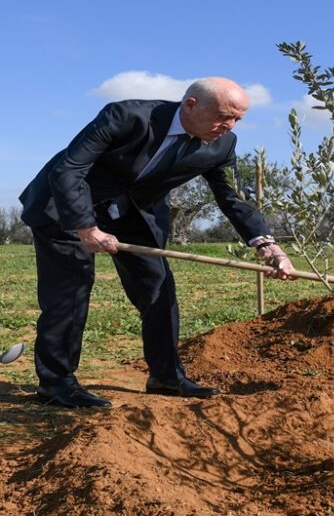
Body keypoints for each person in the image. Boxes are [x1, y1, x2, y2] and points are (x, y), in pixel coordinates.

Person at [18, 77, 296, 408]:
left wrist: (266, 244)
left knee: (159, 288)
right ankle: (56, 383)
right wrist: (85, 226)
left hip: (132, 214)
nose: (230, 126)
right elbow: (69, 168)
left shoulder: (223, 144)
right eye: (224, 115)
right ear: (191, 105)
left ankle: (166, 376)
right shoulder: (127, 116)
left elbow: (232, 198)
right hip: (65, 206)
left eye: (238, 119)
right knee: (71, 290)